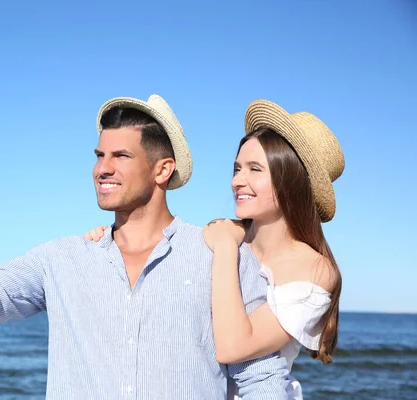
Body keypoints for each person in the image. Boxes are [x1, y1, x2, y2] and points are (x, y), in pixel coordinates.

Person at [0, 94, 290, 399]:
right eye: (98, 156)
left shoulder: (221, 254)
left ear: (162, 170)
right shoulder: (62, 259)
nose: (102, 168)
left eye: (120, 156)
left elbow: (261, 380)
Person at [85, 99, 345, 399]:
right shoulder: (224, 232)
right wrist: (113, 240)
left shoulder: (313, 269)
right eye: (237, 168)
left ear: (291, 180)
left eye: (255, 169)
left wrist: (225, 249)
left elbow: (234, 347)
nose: (237, 181)